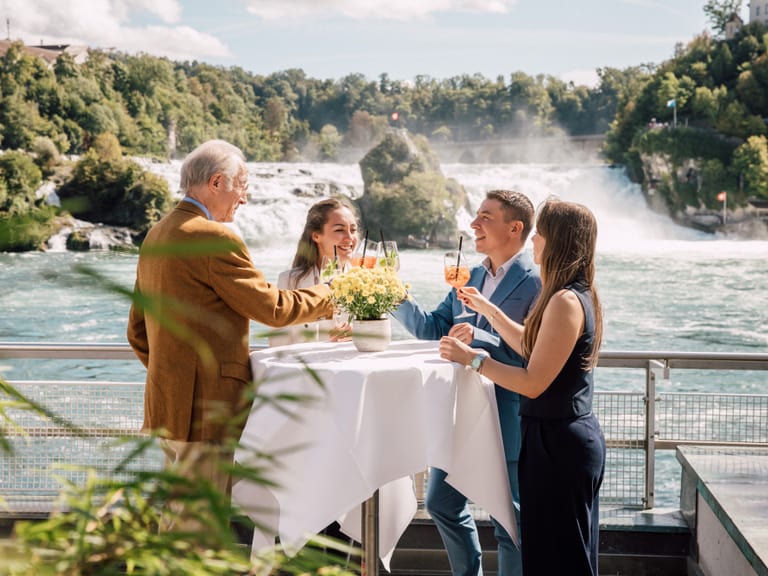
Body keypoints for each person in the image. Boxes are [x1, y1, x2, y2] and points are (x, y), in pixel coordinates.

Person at [126, 139, 335, 530]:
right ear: (217, 182)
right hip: (206, 413)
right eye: (242, 183)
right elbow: (272, 309)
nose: (246, 194)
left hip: (167, 408)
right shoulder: (213, 237)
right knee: (196, 534)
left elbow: (137, 330)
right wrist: (330, 294)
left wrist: (171, 379)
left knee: (175, 522)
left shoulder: (157, 234)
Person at [439, 198, 606, 576]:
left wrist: (473, 360)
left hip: (559, 445)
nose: (533, 242)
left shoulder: (564, 301)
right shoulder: (569, 293)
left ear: (556, 241)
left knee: (561, 560)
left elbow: (533, 382)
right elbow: (532, 347)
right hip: (552, 438)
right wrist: (489, 310)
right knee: (554, 555)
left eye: (540, 234)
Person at [392, 190, 541, 576]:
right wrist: (392, 294)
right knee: (441, 501)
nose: (474, 224)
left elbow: (536, 356)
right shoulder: (469, 275)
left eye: (485, 217)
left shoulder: (537, 282)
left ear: (515, 227)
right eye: (476, 216)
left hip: (507, 417)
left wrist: (481, 341)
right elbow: (433, 329)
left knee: (512, 524)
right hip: (461, 417)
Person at [270, 197, 358, 346]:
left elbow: (377, 338)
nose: (350, 237)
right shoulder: (289, 281)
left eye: (353, 230)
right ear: (316, 236)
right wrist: (327, 344)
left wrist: (356, 338)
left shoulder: (367, 282)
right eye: (339, 230)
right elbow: (277, 344)